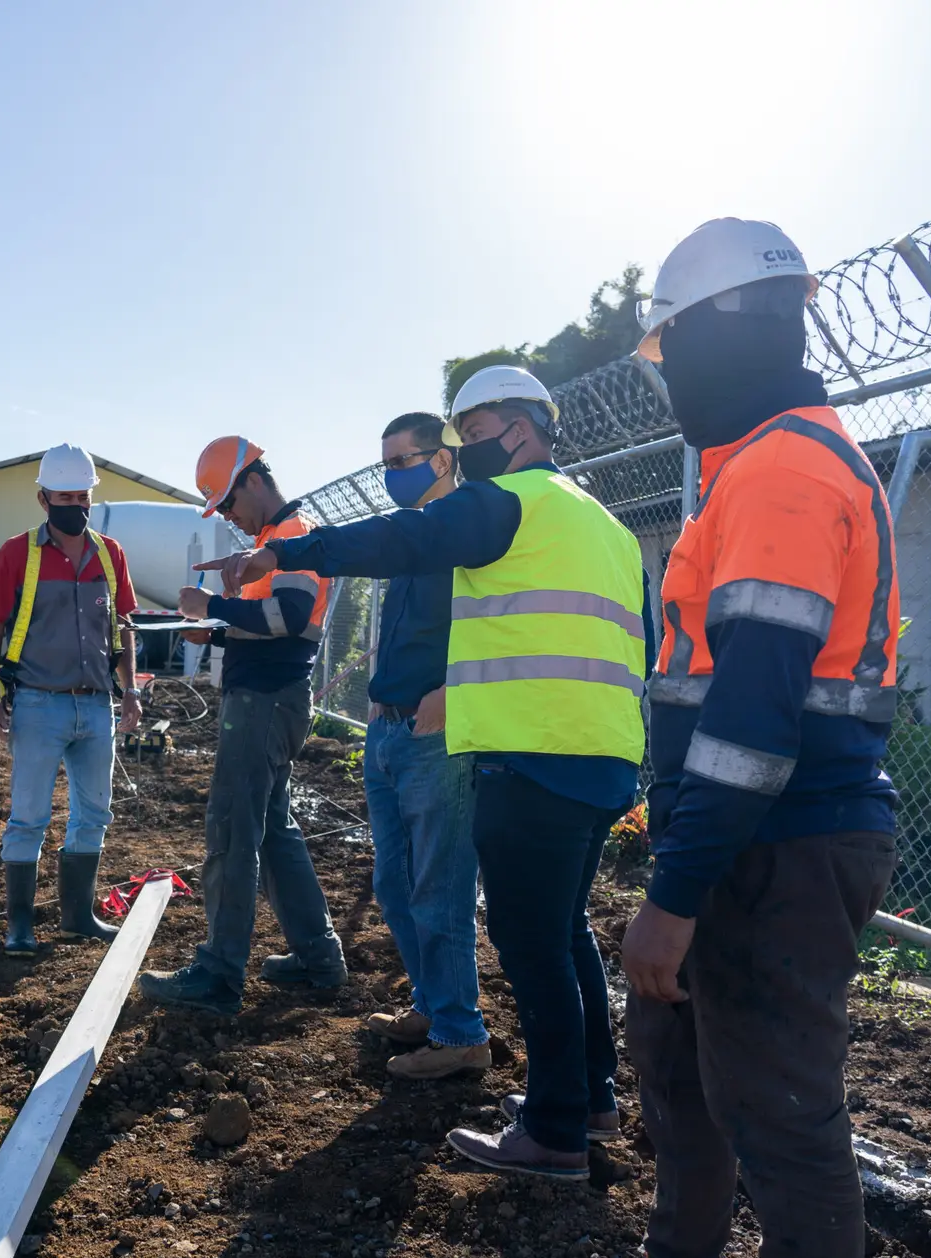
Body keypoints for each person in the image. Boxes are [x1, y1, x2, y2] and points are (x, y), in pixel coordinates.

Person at [204, 370, 650, 1179]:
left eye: (472, 430)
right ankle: (590, 1099)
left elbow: (395, 541)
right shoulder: (602, 522)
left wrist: (284, 548)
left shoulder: (510, 502)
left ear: (518, 429)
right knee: (567, 934)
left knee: (533, 947)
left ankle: (554, 1133)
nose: (461, 446)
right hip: (603, 751)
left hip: (532, 750)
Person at [621, 218, 901, 1258]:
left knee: (782, 1121)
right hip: (751, 839)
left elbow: (753, 717)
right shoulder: (759, 467)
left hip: (775, 845)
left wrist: (677, 894)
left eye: (671, 349)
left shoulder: (784, 470)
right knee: (683, 1074)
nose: (670, 378)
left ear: (721, 331)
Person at [136, 436, 345, 1017]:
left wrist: (213, 609)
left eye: (228, 503)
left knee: (232, 830)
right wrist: (222, 631)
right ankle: (317, 957)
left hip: (264, 702)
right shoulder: (273, 542)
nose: (228, 516)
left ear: (254, 480)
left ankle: (219, 972)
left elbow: (289, 617)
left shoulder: (292, 537)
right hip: (271, 697)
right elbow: (276, 626)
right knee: (274, 832)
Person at [355, 412, 488, 1080]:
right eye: (386, 464)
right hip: (389, 727)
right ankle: (432, 1006)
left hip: (436, 734)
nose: (390, 476)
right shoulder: (413, 540)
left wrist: (452, 691)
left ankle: (461, 1032)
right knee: (395, 883)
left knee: (439, 889)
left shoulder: (466, 528)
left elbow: (496, 623)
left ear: (441, 460)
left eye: (401, 461)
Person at [0, 444, 143, 955]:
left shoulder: (110, 554)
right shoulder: (17, 553)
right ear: (44, 499)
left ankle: (78, 918)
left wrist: (131, 689)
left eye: (84, 496)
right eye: (66, 496)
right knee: (28, 817)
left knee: (94, 814)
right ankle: (19, 926)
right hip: (38, 705)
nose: (77, 505)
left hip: (96, 705)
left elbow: (123, 625)